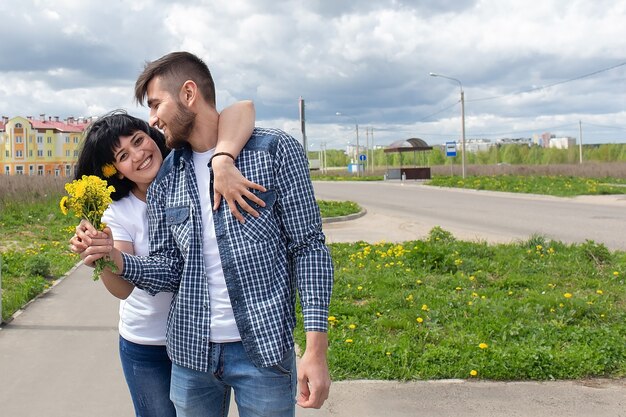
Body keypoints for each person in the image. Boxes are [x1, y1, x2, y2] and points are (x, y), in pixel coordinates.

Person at [78, 51, 334, 417]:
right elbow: (170, 267)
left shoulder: (273, 151)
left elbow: (308, 248)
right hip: (190, 356)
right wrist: (116, 259)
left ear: (188, 94)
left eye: (155, 105)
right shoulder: (168, 176)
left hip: (262, 350)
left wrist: (315, 350)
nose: (151, 120)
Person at [72, 102, 260, 417]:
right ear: (116, 171)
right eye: (122, 156)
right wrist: (102, 256)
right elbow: (123, 290)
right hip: (149, 344)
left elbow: (242, 109)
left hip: (204, 338)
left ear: (152, 135)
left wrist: (224, 158)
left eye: (137, 140)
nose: (137, 155)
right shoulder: (118, 212)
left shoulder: (193, 170)